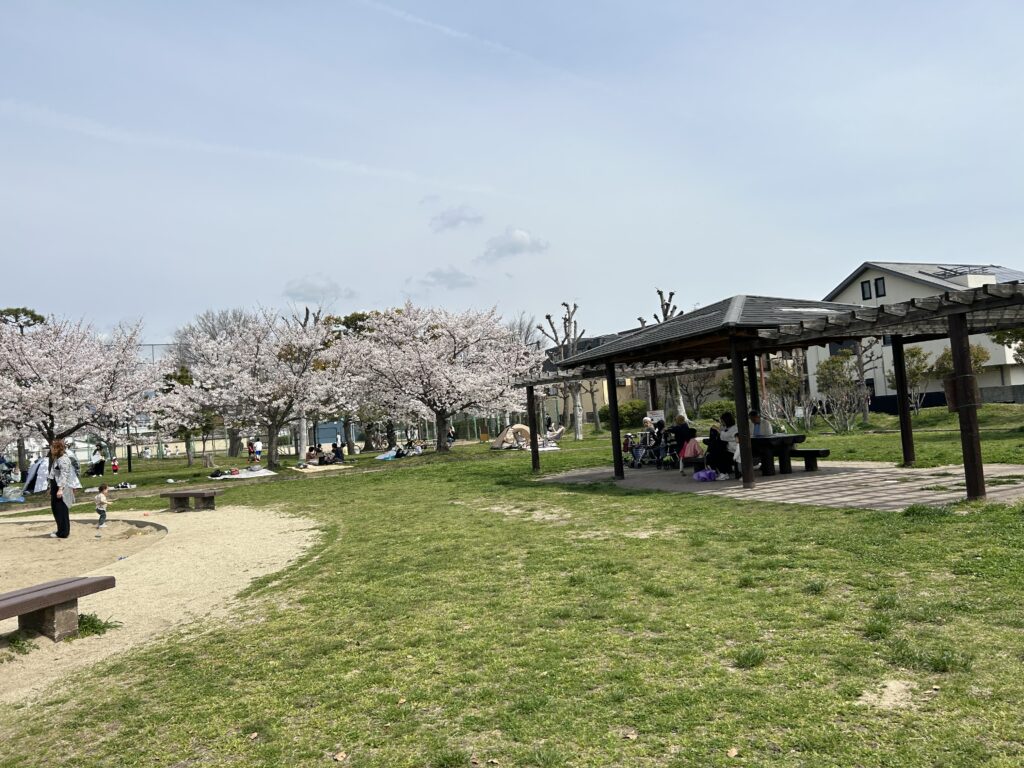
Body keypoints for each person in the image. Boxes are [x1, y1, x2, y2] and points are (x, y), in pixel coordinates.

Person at [47, 439, 76, 539]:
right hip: (55, 485)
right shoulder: (57, 458)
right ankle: (60, 529)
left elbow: (64, 475)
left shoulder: (63, 459)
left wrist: (60, 489)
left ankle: (63, 532)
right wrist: (51, 487)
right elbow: (53, 474)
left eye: (52, 447)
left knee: (61, 510)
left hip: (61, 487)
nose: (51, 449)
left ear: (57, 448)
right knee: (56, 509)